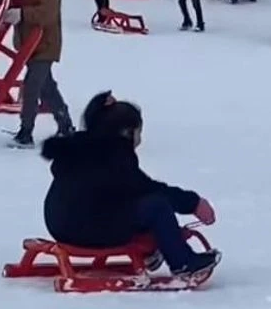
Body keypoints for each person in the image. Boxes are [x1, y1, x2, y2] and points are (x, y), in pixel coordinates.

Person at [40, 92, 222, 278]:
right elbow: (145, 188)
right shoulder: (114, 154)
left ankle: (148, 251)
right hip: (88, 229)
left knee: (130, 204)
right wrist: (193, 203)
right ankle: (183, 263)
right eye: (138, 132)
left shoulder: (76, 146)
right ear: (127, 132)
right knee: (156, 206)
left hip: (59, 224)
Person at [5, 0, 74, 148]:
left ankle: (26, 132)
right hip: (29, 46)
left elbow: (47, 14)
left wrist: (22, 14)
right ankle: (66, 125)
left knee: (32, 87)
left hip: (45, 46)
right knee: (47, 89)